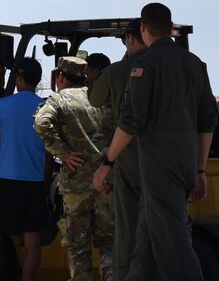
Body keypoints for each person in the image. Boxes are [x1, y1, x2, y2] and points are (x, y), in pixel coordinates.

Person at [92, 2, 215, 281]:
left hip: (160, 168)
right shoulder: (195, 64)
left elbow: (131, 121)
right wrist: (200, 170)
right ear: (171, 28)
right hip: (184, 165)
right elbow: (207, 121)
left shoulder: (144, 65)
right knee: (145, 245)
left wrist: (107, 161)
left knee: (175, 250)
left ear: (143, 28)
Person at [35, 53, 114, 281]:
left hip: (76, 186)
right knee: (109, 244)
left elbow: (41, 124)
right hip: (105, 181)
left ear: (60, 77)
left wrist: (64, 153)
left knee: (78, 247)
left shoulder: (59, 101)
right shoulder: (101, 98)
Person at [0, 56, 52, 281]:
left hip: (6, 181)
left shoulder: (2, 105)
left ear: (18, 77)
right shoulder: (45, 107)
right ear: (37, 81)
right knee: (32, 240)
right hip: (34, 182)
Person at [87, 25, 144, 281]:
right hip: (171, 162)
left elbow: (95, 98)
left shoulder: (119, 72)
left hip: (127, 161)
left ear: (131, 39)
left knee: (125, 231)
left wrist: (107, 161)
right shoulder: (181, 65)